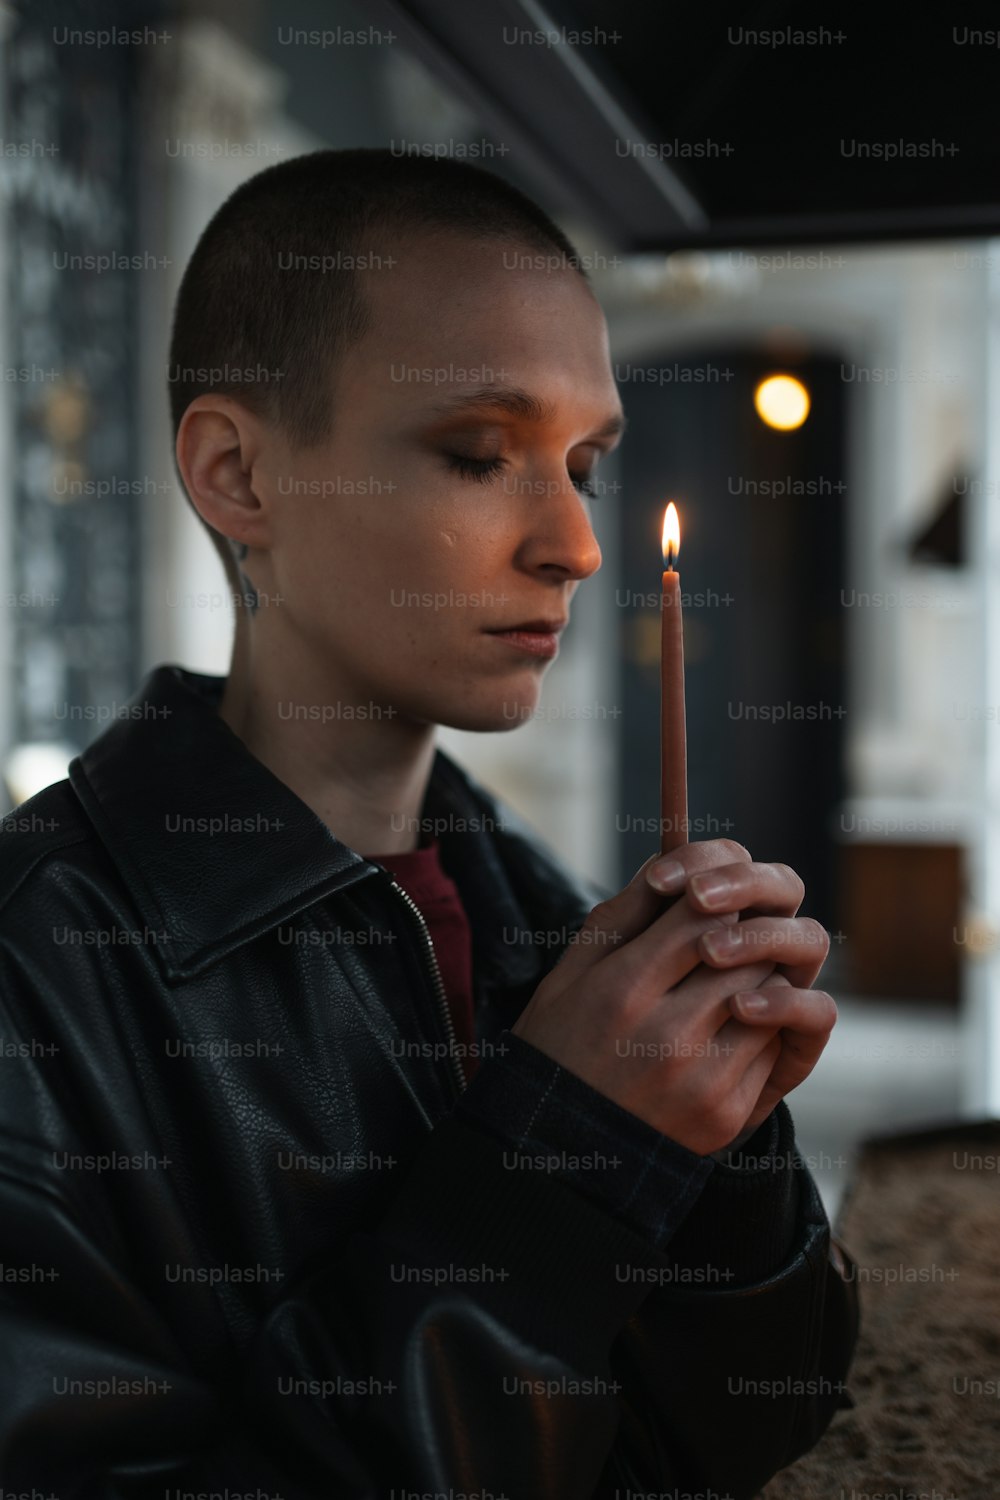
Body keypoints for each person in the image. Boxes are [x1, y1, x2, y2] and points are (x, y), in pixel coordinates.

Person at [0, 148, 858, 1497]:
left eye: (584, 464)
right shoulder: (41, 978)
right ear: (239, 477)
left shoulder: (529, 901)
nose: (575, 543)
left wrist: (717, 1144)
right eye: (478, 453)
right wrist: (562, 1163)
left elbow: (724, 1438)